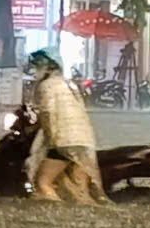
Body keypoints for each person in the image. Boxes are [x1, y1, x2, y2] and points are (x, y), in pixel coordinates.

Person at [26, 49, 108, 204]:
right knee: (81, 191)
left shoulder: (46, 86)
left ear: (47, 67)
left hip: (64, 141)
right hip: (84, 140)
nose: (35, 71)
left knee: (43, 183)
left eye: (37, 67)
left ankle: (55, 209)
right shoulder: (69, 84)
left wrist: (47, 138)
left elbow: (48, 113)